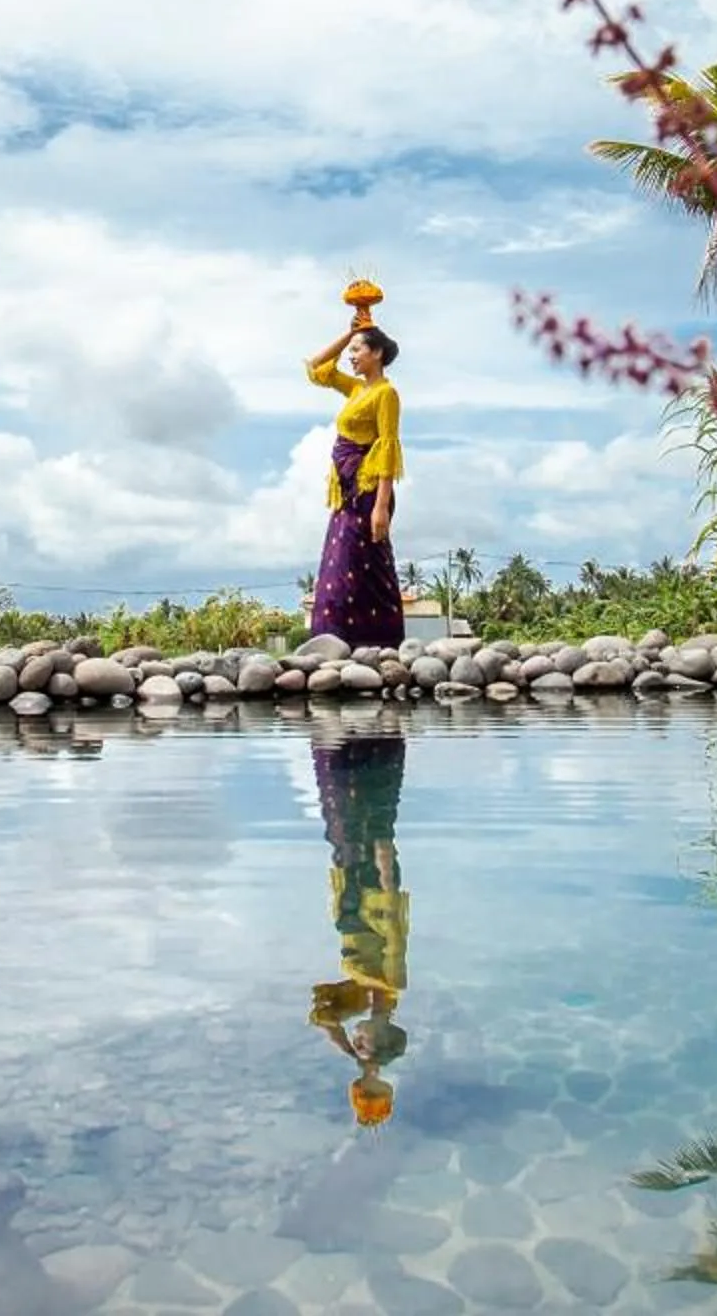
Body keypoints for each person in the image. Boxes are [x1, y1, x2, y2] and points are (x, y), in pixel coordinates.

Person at [308, 727, 409, 1125]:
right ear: (382, 1037)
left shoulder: (359, 998)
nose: (357, 1039)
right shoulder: (388, 985)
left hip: (349, 894)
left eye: (357, 1042)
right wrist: (386, 870)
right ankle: (368, 743)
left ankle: (342, 743)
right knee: (361, 816)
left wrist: (354, 1056)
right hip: (372, 890)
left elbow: (325, 1019)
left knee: (341, 820)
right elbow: (395, 929)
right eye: (364, 1042)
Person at [303, 314, 404, 648]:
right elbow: (317, 368)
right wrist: (350, 334)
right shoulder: (358, 389)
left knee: (364, 566)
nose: (351, 356)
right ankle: (334, 643)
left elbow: (388, 448)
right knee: (339, 566)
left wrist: (381, 507)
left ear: (377, 353)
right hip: (347, 490)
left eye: (358, 349)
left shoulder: (386, 394)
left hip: (369, 490)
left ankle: (379, 643)